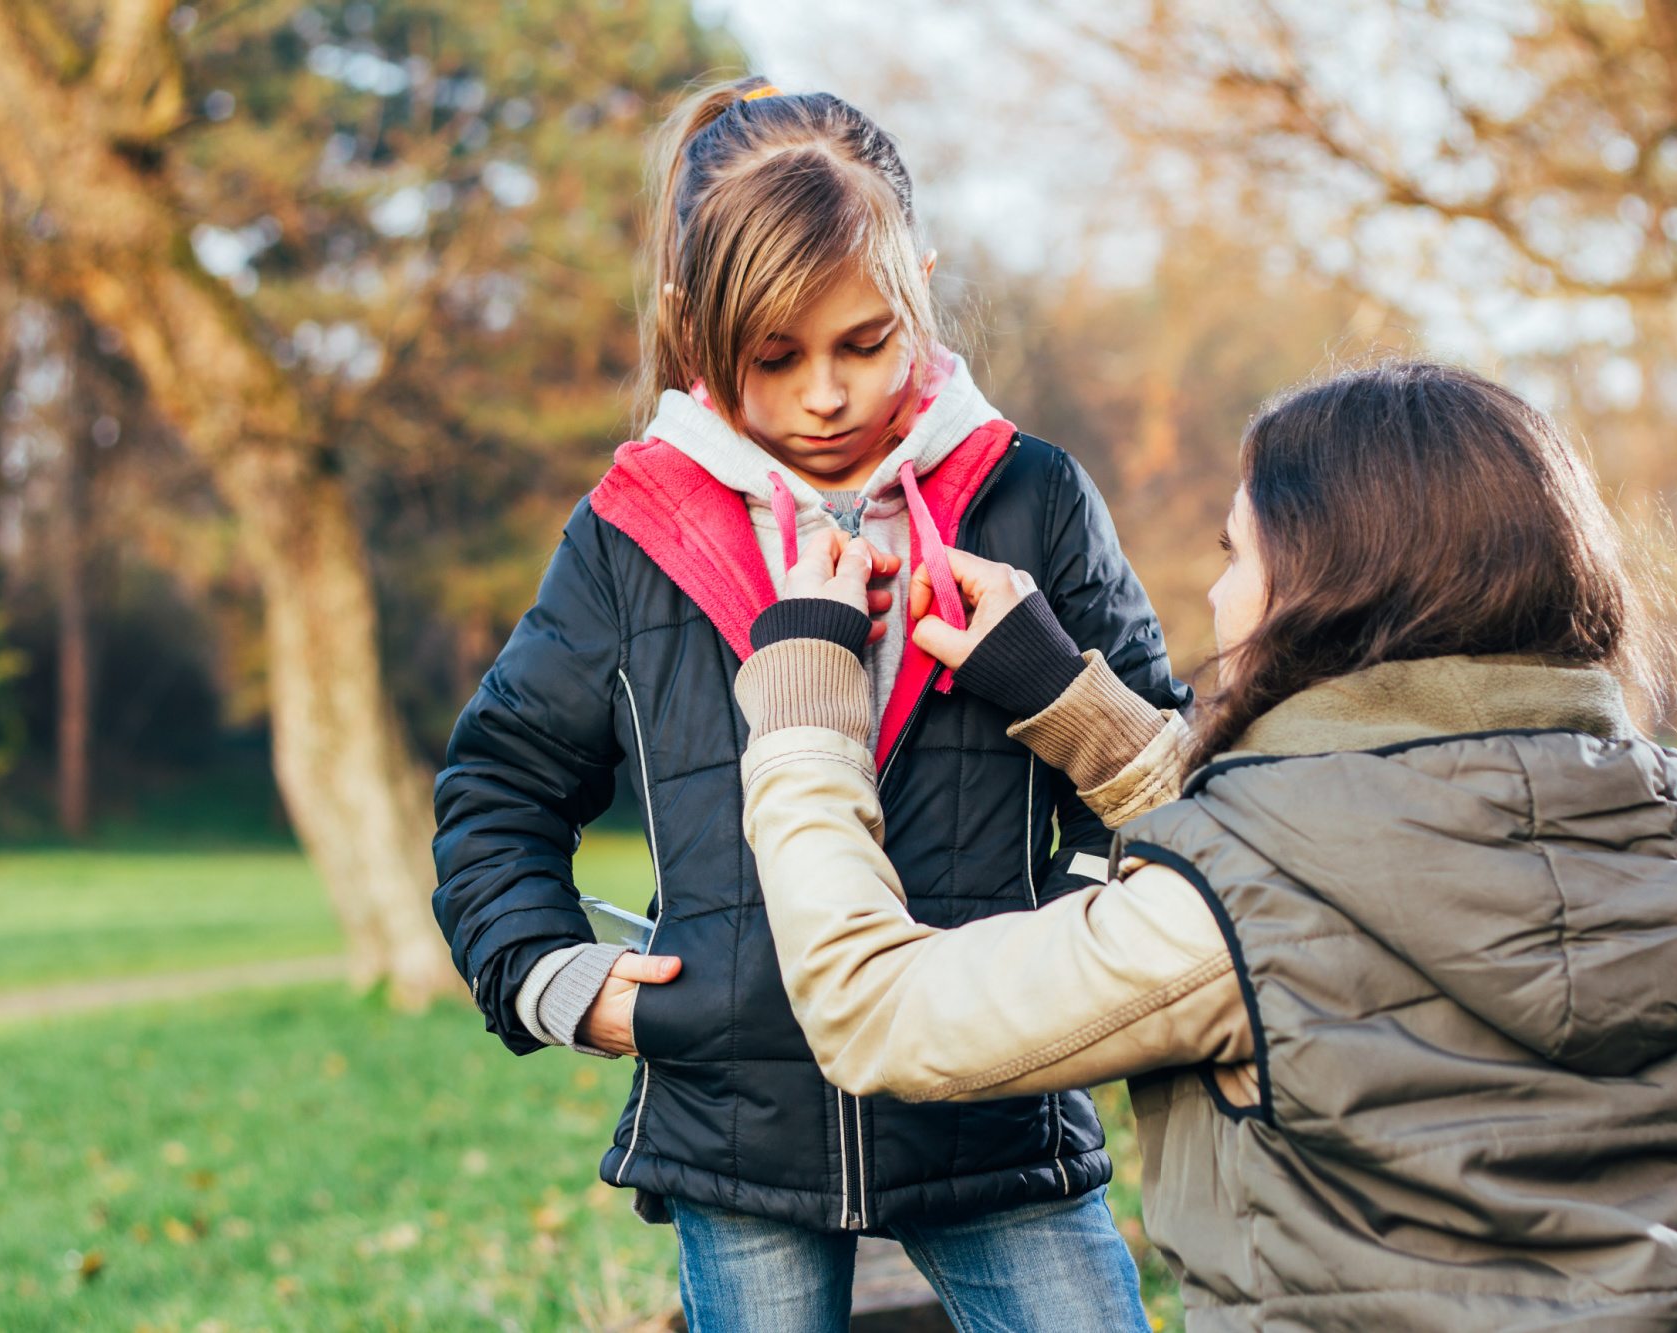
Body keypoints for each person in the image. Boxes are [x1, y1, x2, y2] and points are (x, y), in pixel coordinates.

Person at [732, 361, 1677, 1330]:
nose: (1212, 589)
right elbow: (1356, 859)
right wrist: (1073, 706)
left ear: (1322, 588)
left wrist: (801, 716)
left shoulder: (1232, 911)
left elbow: (878, 1010)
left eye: (1233, 551)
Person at [431, 75, 1187, 1330]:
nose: (824, 396)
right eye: (771, 358)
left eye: (864, 343)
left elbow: (1168, 801)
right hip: (738, 1129)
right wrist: (557, 976)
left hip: (996, 1111)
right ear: (690, 327)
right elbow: (498, 784)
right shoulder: (632, 537)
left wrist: (1053, 738)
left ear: (920, 289)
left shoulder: (1033, 500)